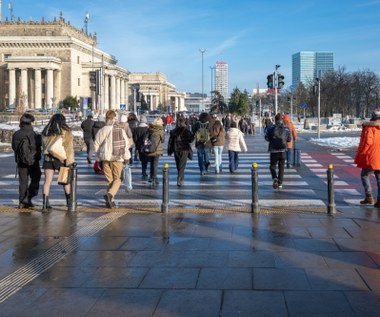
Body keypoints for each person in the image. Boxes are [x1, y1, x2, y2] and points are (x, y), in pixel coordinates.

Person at [94, 110, 131, 209]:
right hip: (117, 158)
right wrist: (127, 158)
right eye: (115, 118)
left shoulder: (102, 130)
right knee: (118, 179)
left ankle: (110, 202)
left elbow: (96, 144)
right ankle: (110, 195)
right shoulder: (120, 130)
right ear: (113, 119)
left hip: (105, 159)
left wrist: (98, 157)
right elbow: (125, 145)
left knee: (110, 181)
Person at [41, 113, 75, 212]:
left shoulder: (46, 131)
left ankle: (44, 204)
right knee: (65, 181)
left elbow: (43, 147)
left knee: (47, 182)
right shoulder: (65, 131)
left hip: (48, 159)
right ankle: (69, 202)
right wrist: (70, 161)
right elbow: (68, 148)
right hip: (61, 160)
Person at [11, 113, 42, 209]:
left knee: (23, 181)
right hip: (33, 161)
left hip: (21, 161)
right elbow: (38, 146)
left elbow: (14, 147)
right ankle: (28, 197)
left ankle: (22, 201)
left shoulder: (16, 134)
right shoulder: (34, 134)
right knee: (36, 178)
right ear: (30, 123)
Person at [354, 108, 380, 207]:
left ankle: (369, 196)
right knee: (379, 178)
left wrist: (362, 154)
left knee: (364, 175)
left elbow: (367, 143)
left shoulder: (370, 127)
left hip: (372, 156)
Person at [265, 113, 291, 189]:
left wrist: (273, 140)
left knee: (272, 166)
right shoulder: (286, 128)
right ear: (281, 119)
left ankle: (274, 178)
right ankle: (280, 183)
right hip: (283, 150)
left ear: (275, 119)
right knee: (281, 166)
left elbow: (266, 138)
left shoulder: (270, 127)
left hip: (273, 150)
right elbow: (289, 139)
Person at [168, 117, 194, 186]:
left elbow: (170, 142)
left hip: (176, 150)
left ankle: (180, 178)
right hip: (184, 150)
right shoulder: (186, 131)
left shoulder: (173, 131)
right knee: (182, 166)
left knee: (178, 165)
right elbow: (191, 140)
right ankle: (180, 179)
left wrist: (169, 151)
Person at [146, 117, 165, 186]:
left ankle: (151, 177)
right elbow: (163, 140)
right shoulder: (160, 130)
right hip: (157, 149)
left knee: (151, 163)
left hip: (150, 148)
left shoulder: (150, 129)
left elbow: (146, 138)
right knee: (155, 164)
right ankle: (155, 177)